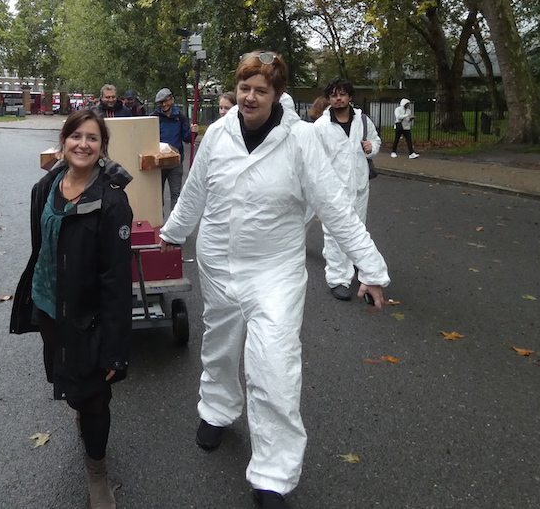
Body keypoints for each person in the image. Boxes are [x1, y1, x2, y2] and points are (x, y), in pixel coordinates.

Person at [159, 52, 390, 509]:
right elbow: (195, 191)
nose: (249, 97)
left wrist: (372, 268)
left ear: (278, 94)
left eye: (260, 90)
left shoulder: (302, 140)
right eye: (244, 87)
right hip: (220, 263)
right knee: (221, 345)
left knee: (275, 367)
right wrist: (173, 233)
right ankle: (217, 409)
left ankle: (273, 474)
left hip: (275, 271)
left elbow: (335, 207)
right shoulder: (218, 133)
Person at [9, 110, 134, 509]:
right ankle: (82, 409)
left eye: (92, 138)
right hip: (49, 308)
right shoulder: (45, 186)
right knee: (69, 379)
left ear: (102, 147)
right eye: (76, 136)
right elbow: (41, 246)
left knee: (94, 396)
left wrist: (116, 346)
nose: (83, 144)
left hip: (88, 316)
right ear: (63, 141)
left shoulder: (111, 201)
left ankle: (97, 471)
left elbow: (117, 280)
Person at [313, 78, 381, 301]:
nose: (338, 98)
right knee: (333, 234)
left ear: (349, 96)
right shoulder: (321, 126)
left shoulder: (362, 119)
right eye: (333, 95)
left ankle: (361, 270)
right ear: (328, 99)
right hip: (333, 190)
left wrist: (372, 148)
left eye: (342, 94)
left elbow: (375, 141)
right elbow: (313, 158)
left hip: (360, 185)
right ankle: (338, 279)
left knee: (358, 230)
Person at [151, 87, 198, 211]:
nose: (164, 104)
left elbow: (186, 138)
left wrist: (193, 133)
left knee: (176, 195)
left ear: (172, 100)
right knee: (156, 196)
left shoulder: (180, 117)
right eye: (161, 102)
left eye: (166, 101)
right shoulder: (154, 118)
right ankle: (158, 224)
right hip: (158, 163)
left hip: (175, 163)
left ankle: (173, 224)